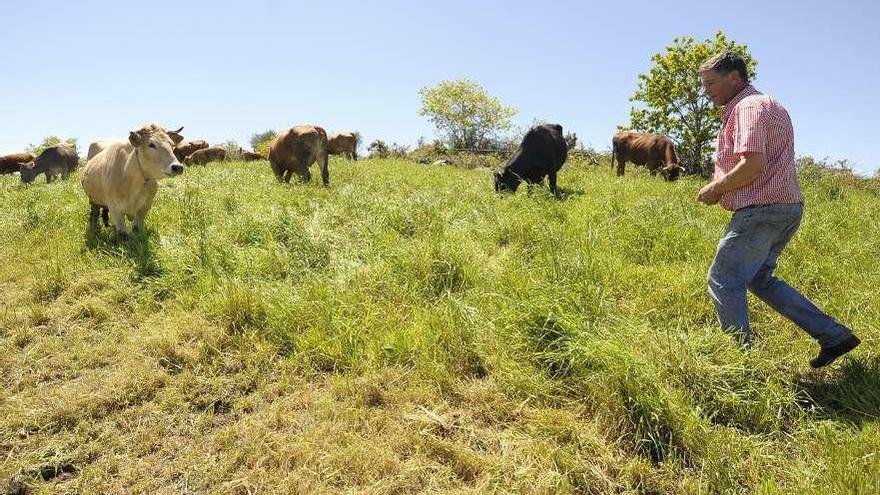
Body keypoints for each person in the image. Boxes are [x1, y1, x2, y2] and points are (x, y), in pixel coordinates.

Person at [696, 51, 860, 368]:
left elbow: (752, 165)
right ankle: (834, 335)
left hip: (761, 210)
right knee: (759, 278)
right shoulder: (765, 104)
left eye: (710, 83)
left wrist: (715, 188)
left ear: (734, 77)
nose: (707, 91)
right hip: (785, 208)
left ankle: (738, 364)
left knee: (724, 279)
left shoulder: (748, 106)